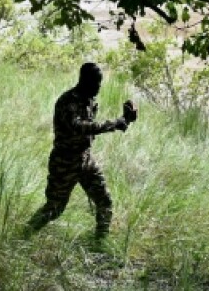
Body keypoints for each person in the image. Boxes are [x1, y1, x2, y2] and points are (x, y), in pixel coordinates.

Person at [27, 62, 137, 240]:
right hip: (64, 163)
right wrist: (114, 124)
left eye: (100, 83)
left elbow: (91, 129)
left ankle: (100, 242)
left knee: (105, 202)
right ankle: (24, 234)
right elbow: (80, 127)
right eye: (95, 83)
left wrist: (125, 120)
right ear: (84, 81)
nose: (98, 88)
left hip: (85, 160)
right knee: (54, 208)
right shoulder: (67, 102)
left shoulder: (89, 100)